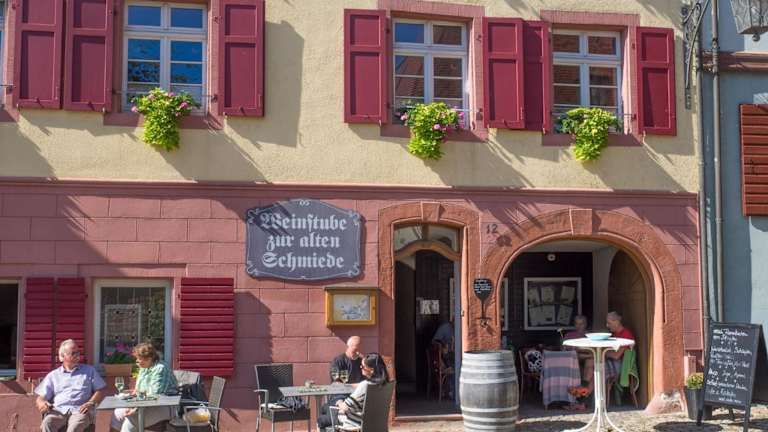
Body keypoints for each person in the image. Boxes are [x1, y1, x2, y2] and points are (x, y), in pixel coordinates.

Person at [35, 339, 106, 432]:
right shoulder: (53, 375)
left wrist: (90, 403)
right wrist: (42, 403)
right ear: (62, 357)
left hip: (80, 411)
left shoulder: (89, 371)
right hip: (58, 411)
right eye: (73, 353)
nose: (77, 355)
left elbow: (100, 390)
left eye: (78, 352)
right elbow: (40, 398)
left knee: (74, 428)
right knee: (47, 423)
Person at [110, 343, 177, 432]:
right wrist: (129, 398)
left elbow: (154, 396)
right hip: (143, 403)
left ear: (149, 358)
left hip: (164, 405)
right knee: (117, 413)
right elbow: (138, 390)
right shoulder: (144, 367)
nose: (137, 361)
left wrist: (135, 409)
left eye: (139, 359)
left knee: (132, 418)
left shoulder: (161, 368)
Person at [317, 353, 390, 431]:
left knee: (321, 419)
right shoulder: (385, 384)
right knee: (325, 408)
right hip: (375, 422)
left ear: (371, 370)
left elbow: (345, 407)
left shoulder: (364, 385)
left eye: (363, 367)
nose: (360, 368)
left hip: (354, 422)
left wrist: (339, 402)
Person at [564, 315, 594, 410]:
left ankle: (581, 400)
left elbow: (593, 349)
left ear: (586, 324)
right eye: (577, 324)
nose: (579, 326)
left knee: (590, 363)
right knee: (581, 357)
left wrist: (581, 351)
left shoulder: (590, 335)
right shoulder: (569, 335)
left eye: (581, 324)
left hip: (586, 360)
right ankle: (581, 402)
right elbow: (566, 350)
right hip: (573, 360)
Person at [605, 311, 635, 378]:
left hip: (622, 366)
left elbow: (616, 355)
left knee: (595, 365)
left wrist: (603, 353)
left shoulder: (626, 334)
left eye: (609, 323)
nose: (607, 325)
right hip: (614, 362)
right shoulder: (615, 334)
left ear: (616, 322)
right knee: (592, 363)